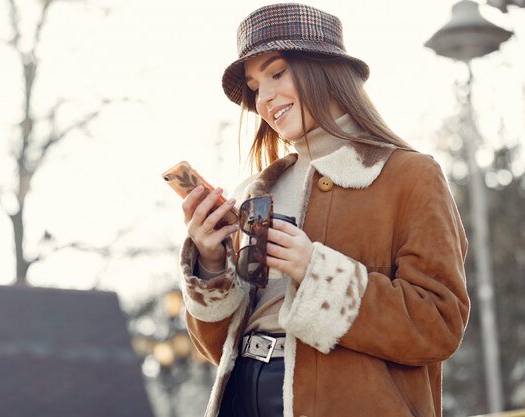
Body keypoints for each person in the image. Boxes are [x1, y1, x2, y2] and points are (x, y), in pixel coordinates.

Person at [178, 3, 470, 417]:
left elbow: (438, 324)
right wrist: (210, 264)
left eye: (277, 73)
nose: (265, 98)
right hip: (242, 396)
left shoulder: (409, 175)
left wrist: (315, 269)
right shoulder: (256, 192)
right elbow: (216, 347)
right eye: (256, 86)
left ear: (326, 70)